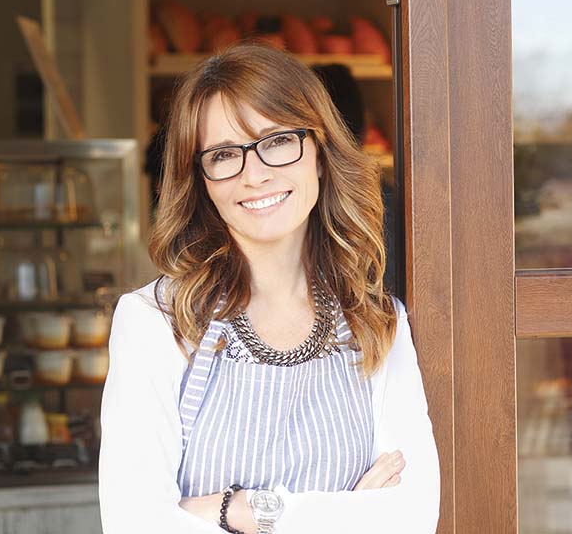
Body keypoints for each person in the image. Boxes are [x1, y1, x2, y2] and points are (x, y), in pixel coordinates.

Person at [98, 43, 439, 534]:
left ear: (319, 154)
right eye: (222, 155)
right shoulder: (155, 320)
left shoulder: (378, 321)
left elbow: (411, 517)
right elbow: (135, 523)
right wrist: (346, 513)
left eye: (277, 141)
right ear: (201, 182)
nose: (254, 174)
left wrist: (234, 511)